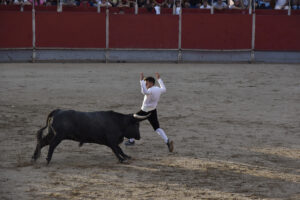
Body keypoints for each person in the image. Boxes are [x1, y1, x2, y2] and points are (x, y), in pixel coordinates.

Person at [125, 73, 174, 153]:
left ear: (151, 83)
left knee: (131, 121)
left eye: (146, 83)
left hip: (145, 111)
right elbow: (164, 89)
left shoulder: (150, 90)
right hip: (153, 110)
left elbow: (144, 91)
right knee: (157, 128)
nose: (146, 85)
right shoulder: (158, 89)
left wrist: (141, 81)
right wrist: (159, 79)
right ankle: (167, 141)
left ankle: (131, 140)